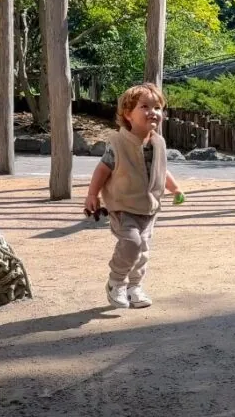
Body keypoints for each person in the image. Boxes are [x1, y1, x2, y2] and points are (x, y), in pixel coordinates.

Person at [84, 83, 183, 309]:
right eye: (145, 106)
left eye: (158, 107)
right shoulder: (117, 144)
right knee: (131, 242)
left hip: (149, 208)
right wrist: (92, 194)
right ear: (128, 114)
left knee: (142, 250)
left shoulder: (158, 142)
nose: (153, 112)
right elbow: (103, 169)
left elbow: (161, 169)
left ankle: (134, 287)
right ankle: (116, 282)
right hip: (122, 206)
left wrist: (175, 188)